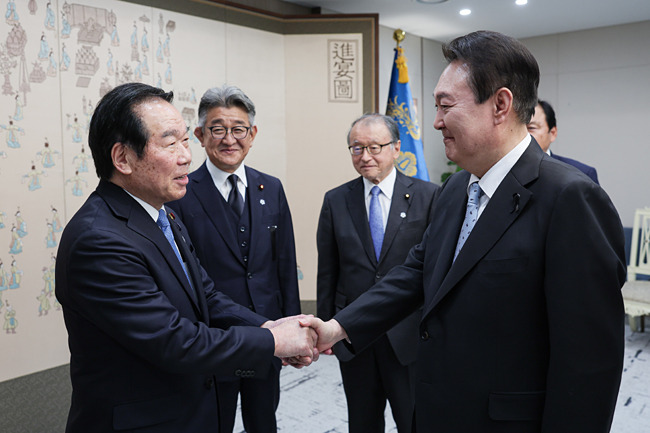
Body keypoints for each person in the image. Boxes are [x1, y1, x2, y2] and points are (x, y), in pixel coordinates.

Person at [307, 30, 626, 432]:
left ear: (500, 104)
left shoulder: (570, 198)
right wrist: (337, 327)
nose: (436, 122)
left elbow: (589, 366)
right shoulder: (457, 187)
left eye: (445, 105)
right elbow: (414, 274)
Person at [55, 82, 317, 433]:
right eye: (170, 143)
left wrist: (267, 326)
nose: (187, 156)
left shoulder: (163, 215)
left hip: (189, 409)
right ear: (123, 158)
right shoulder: (99, 240)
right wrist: (273, 342)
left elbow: (206, 295)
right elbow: (175, 341)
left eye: (185, 140)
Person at [167, 85, 300, 433]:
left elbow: (285, 264)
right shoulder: (181, 192)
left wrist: (290, 328)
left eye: (239, 129)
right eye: (217, 129)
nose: (229, 139)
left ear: (252, 134)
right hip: (213, 340)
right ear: (199, 135)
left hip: (266, 333)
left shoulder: (270, 187)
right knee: (214, 422)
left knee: (263, 421)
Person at [316, 113, 438, 433]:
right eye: (357, 148)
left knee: (413, 420)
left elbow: (435, 270)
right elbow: (328, 271)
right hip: (355, 336)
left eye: (375, 147)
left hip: (408, 335)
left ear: (396, 148)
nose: (365, 156)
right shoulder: (336, 199)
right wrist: (326, 327)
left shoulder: (429, 197)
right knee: (362, 422)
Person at [527, 99, 599, 184]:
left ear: (552, 133)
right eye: (519, 128)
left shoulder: (581, 174)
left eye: (531, 128)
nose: (524, 134)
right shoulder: (509, 169)